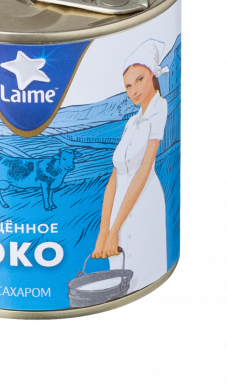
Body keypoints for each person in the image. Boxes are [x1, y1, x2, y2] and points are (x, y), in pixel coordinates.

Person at [92, 39, 169, 292]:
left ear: (153, 75)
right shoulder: (131, 123)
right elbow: (114, 178)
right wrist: (104, 232)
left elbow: (144, 169)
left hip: (143, 204)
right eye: (128, 85)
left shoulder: (160, 108)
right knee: (118, 282)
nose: (133, 90)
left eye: (139, 79)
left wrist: (114, 229)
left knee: (143, 277)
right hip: (120, 211)